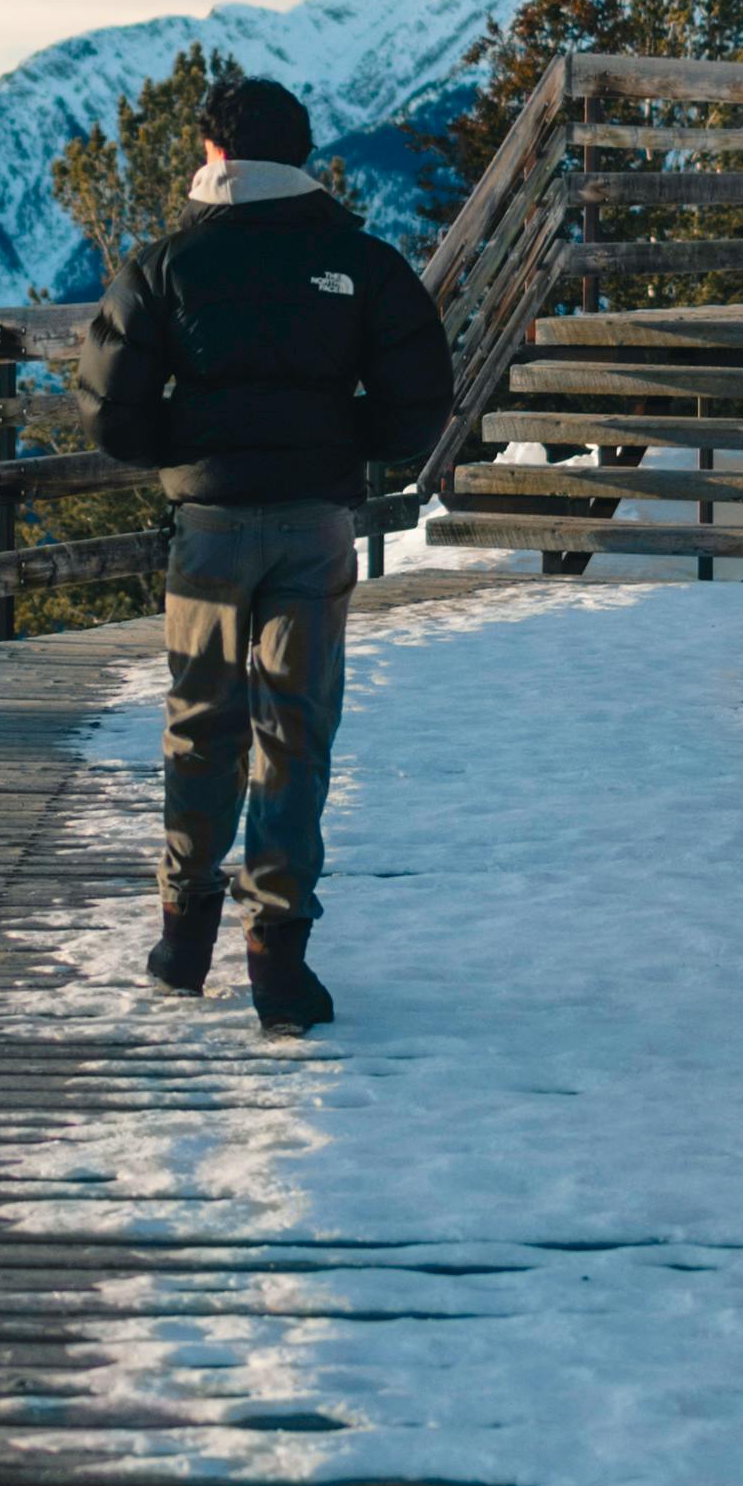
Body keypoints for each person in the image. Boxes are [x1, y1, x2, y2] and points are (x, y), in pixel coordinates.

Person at [88, 71, 456, 1031]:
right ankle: (278, 956)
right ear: (299, 159)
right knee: (296, 733)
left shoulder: (164, 265)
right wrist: (341, 440)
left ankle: (182, 933)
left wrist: (187, 449)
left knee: (199, 723)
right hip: (313, 525)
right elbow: (420, 398)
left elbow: (110, 411)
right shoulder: (360, 261)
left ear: (215, 155)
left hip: (208, 527)